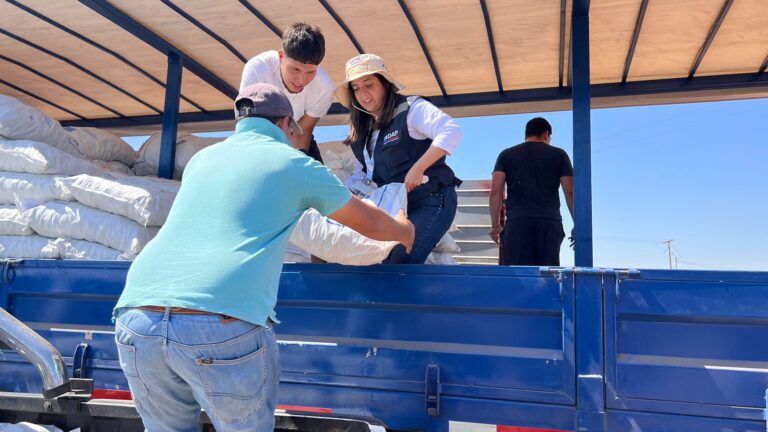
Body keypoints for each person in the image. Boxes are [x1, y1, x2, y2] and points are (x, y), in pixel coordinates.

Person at [112, 83, 414, 432]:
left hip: (137, 315)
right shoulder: (294, 164)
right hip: (219, 318)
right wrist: (404, 230)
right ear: (286, 124)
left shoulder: (201, 159)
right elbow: (371, 224)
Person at [336, 53, 463, 264]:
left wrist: (419, 167)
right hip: (395, 207)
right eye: (356, 88)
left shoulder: (412, 109)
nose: (363, 93)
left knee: (401, 260)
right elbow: (361, 177)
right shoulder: (363, 133)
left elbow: (451, 130)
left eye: (369, 84)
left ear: (385, 84)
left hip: (431, 200)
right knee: (373, 259)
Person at [239, 22, 333, 163]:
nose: (301, 80)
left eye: (310, 72)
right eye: (295, 69)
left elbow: (303, 131)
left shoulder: (324, 86)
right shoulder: (258, 70)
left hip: (296, 136)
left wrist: (293, 169)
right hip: (259, 137)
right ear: (281, 56)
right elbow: (248, 126)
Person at [489, 117, 574, 266]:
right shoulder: (560, 155)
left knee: (518, 276)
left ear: (526, 134)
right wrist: (578, 224)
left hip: (517, 222)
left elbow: (495, 192)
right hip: (549, 222)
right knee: (547, 275)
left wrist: (495, 226)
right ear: (547, 134)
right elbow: (570, 191)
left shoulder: (506, 155)